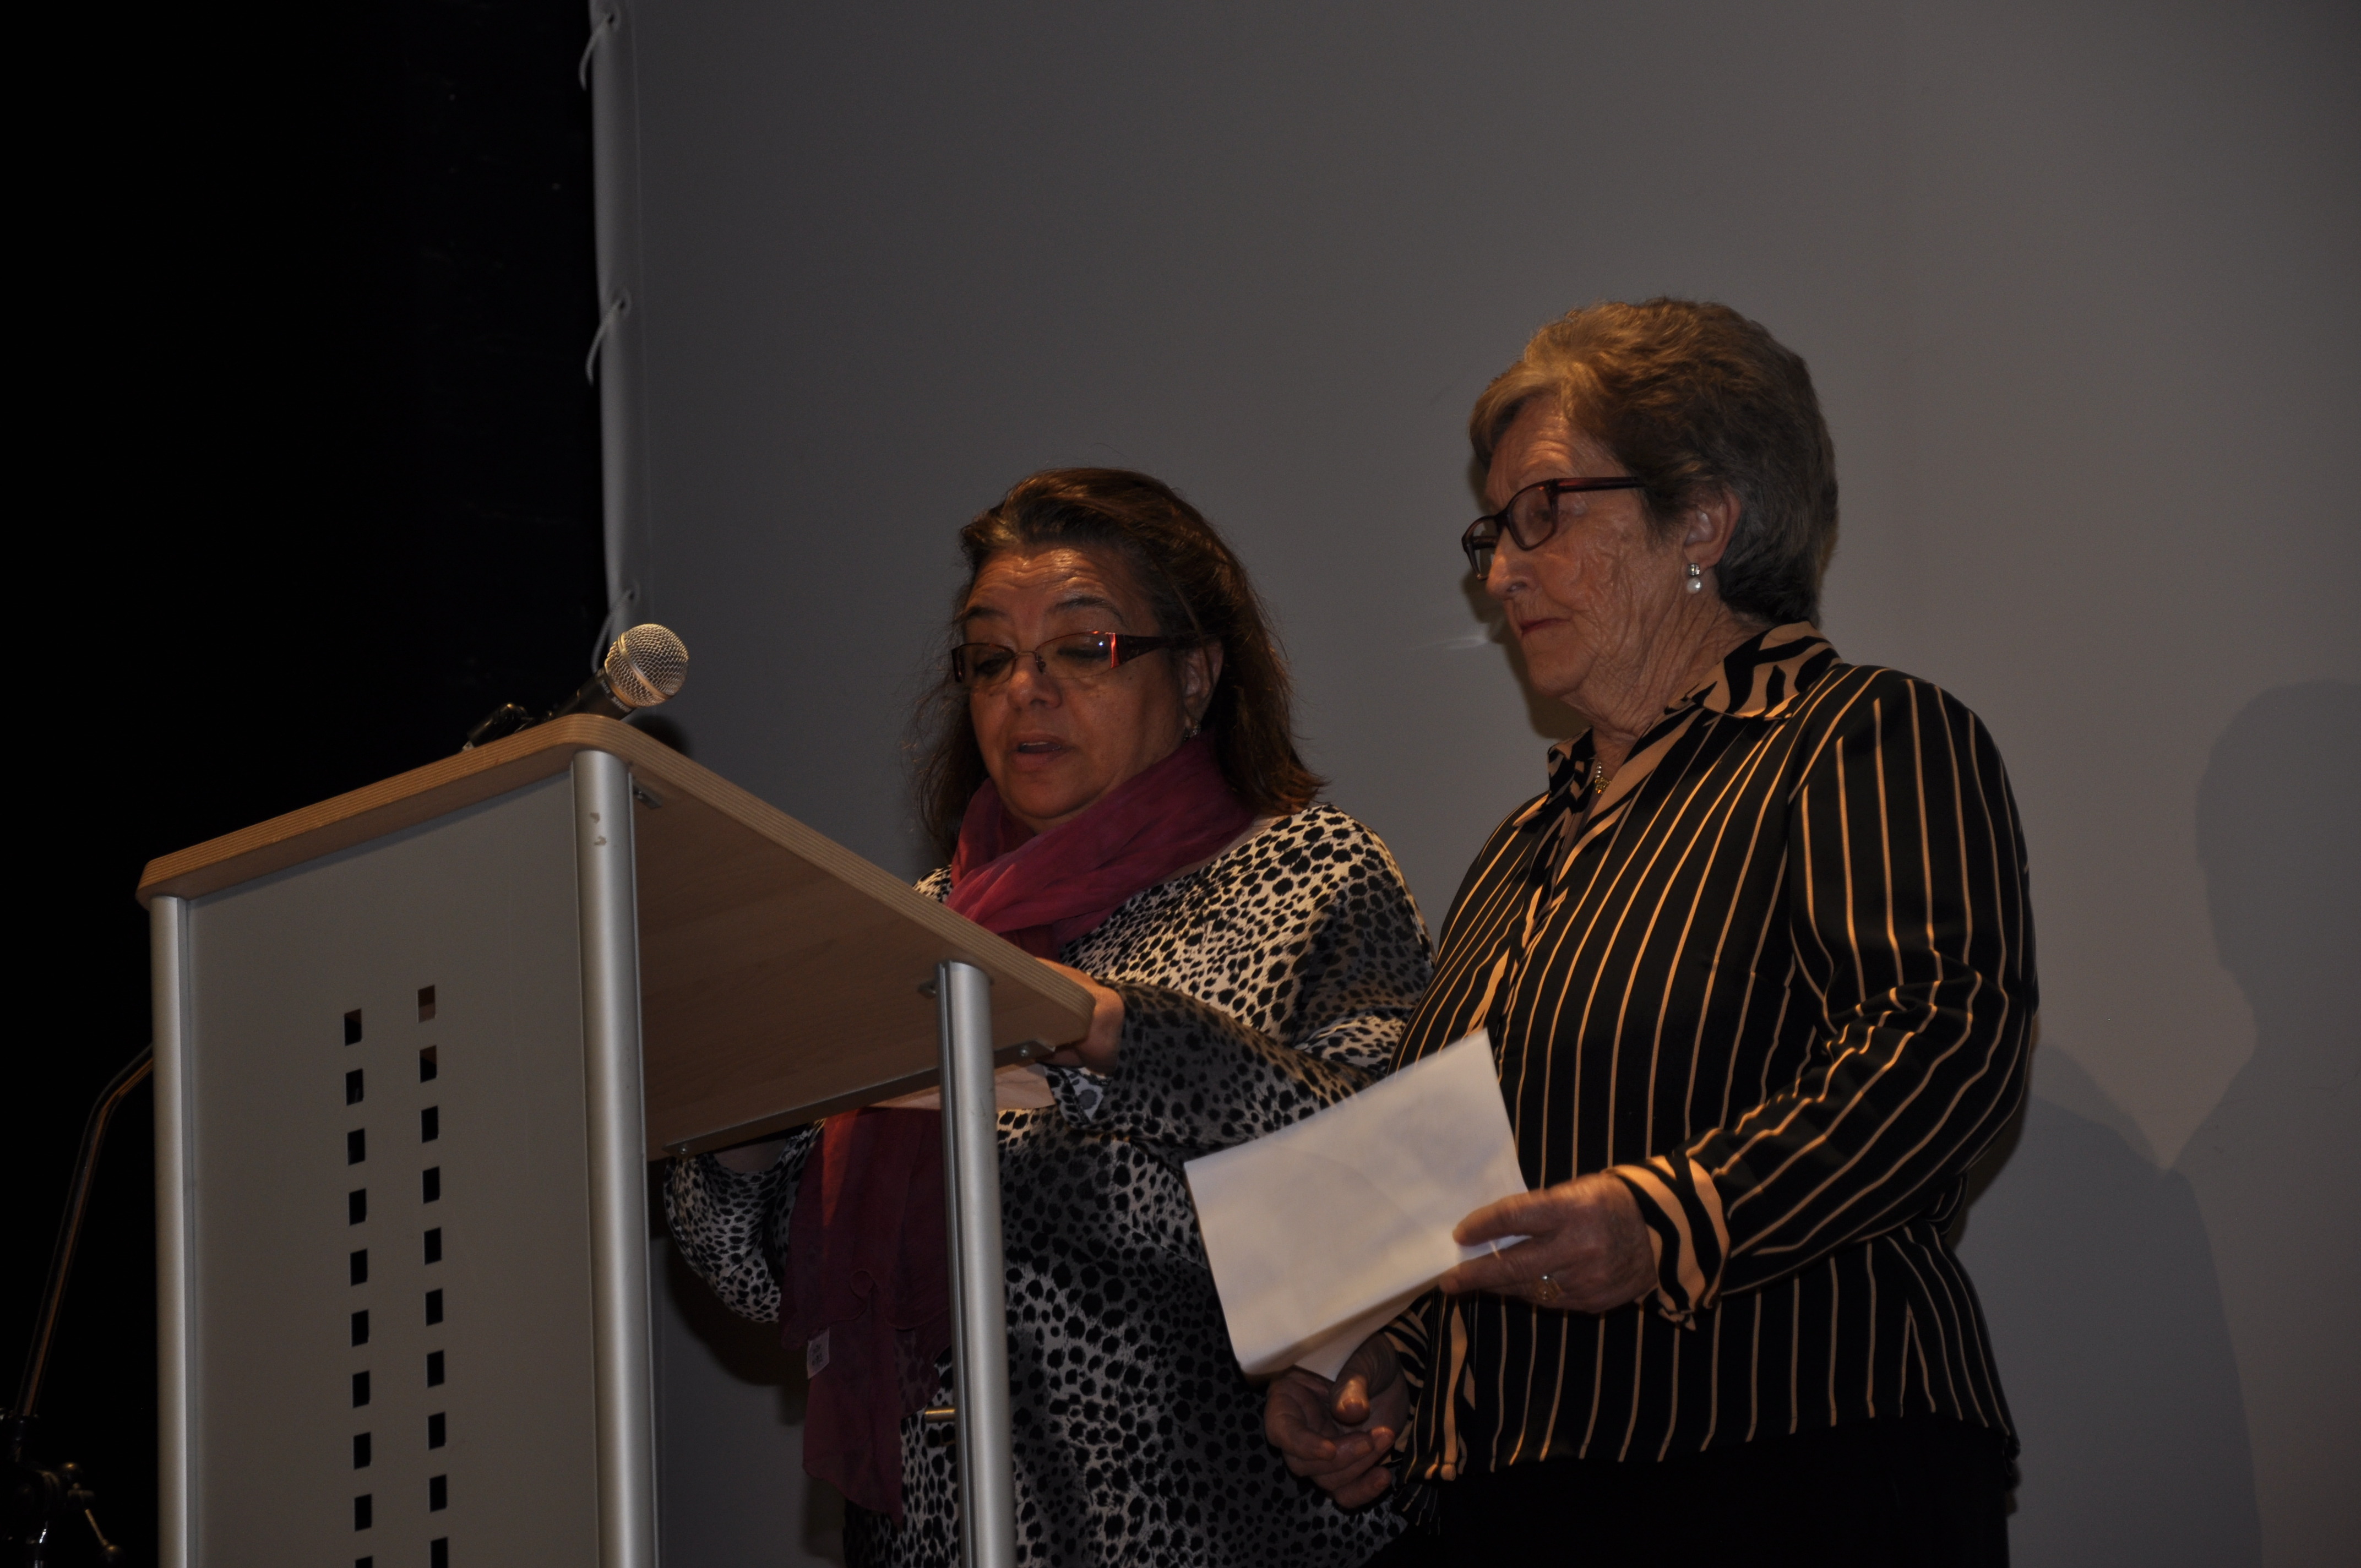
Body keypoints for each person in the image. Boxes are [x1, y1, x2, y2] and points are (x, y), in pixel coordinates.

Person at [1266, 300, 2035, 1566]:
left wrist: (1669, 1215)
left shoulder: (1853, 736)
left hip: (1791, 1461)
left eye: (1544, 511)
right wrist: (1383, 1357)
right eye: (1492, 530)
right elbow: (1463, 1180)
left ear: (1702, 520)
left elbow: (1940, 1047)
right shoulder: (1522, 846)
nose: (1498, 573)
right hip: (1516, 1492)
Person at [667, 468, 1430, 1567]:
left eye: (1081, 647)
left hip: (1212, 1534)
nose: (1025, 689)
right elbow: (763, 1275)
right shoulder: (922, 928)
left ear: (1198, 673)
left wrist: (1109, 1035)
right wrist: (742, 1114)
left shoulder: (1309, 871)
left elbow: (1386, 1169)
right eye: (990, 657)